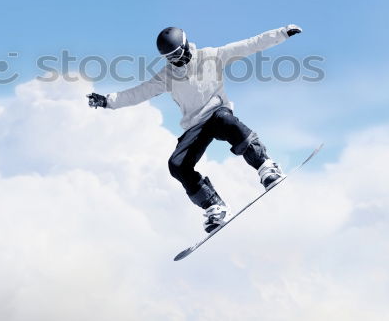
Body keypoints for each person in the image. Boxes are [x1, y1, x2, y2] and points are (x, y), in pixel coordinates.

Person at [87, 24, 302, 232]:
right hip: (195, 125)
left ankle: (266, 166)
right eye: (169, 58)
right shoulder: (166, 75)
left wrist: (281, 33)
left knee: (227, 121)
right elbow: (139, 92)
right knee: (177, 164)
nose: (175, 60)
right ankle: (213, 206)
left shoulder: (212, 56)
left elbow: (249, 45)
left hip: (217, 114)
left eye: (176, 54)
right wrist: (108, 101)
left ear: (185, 45)